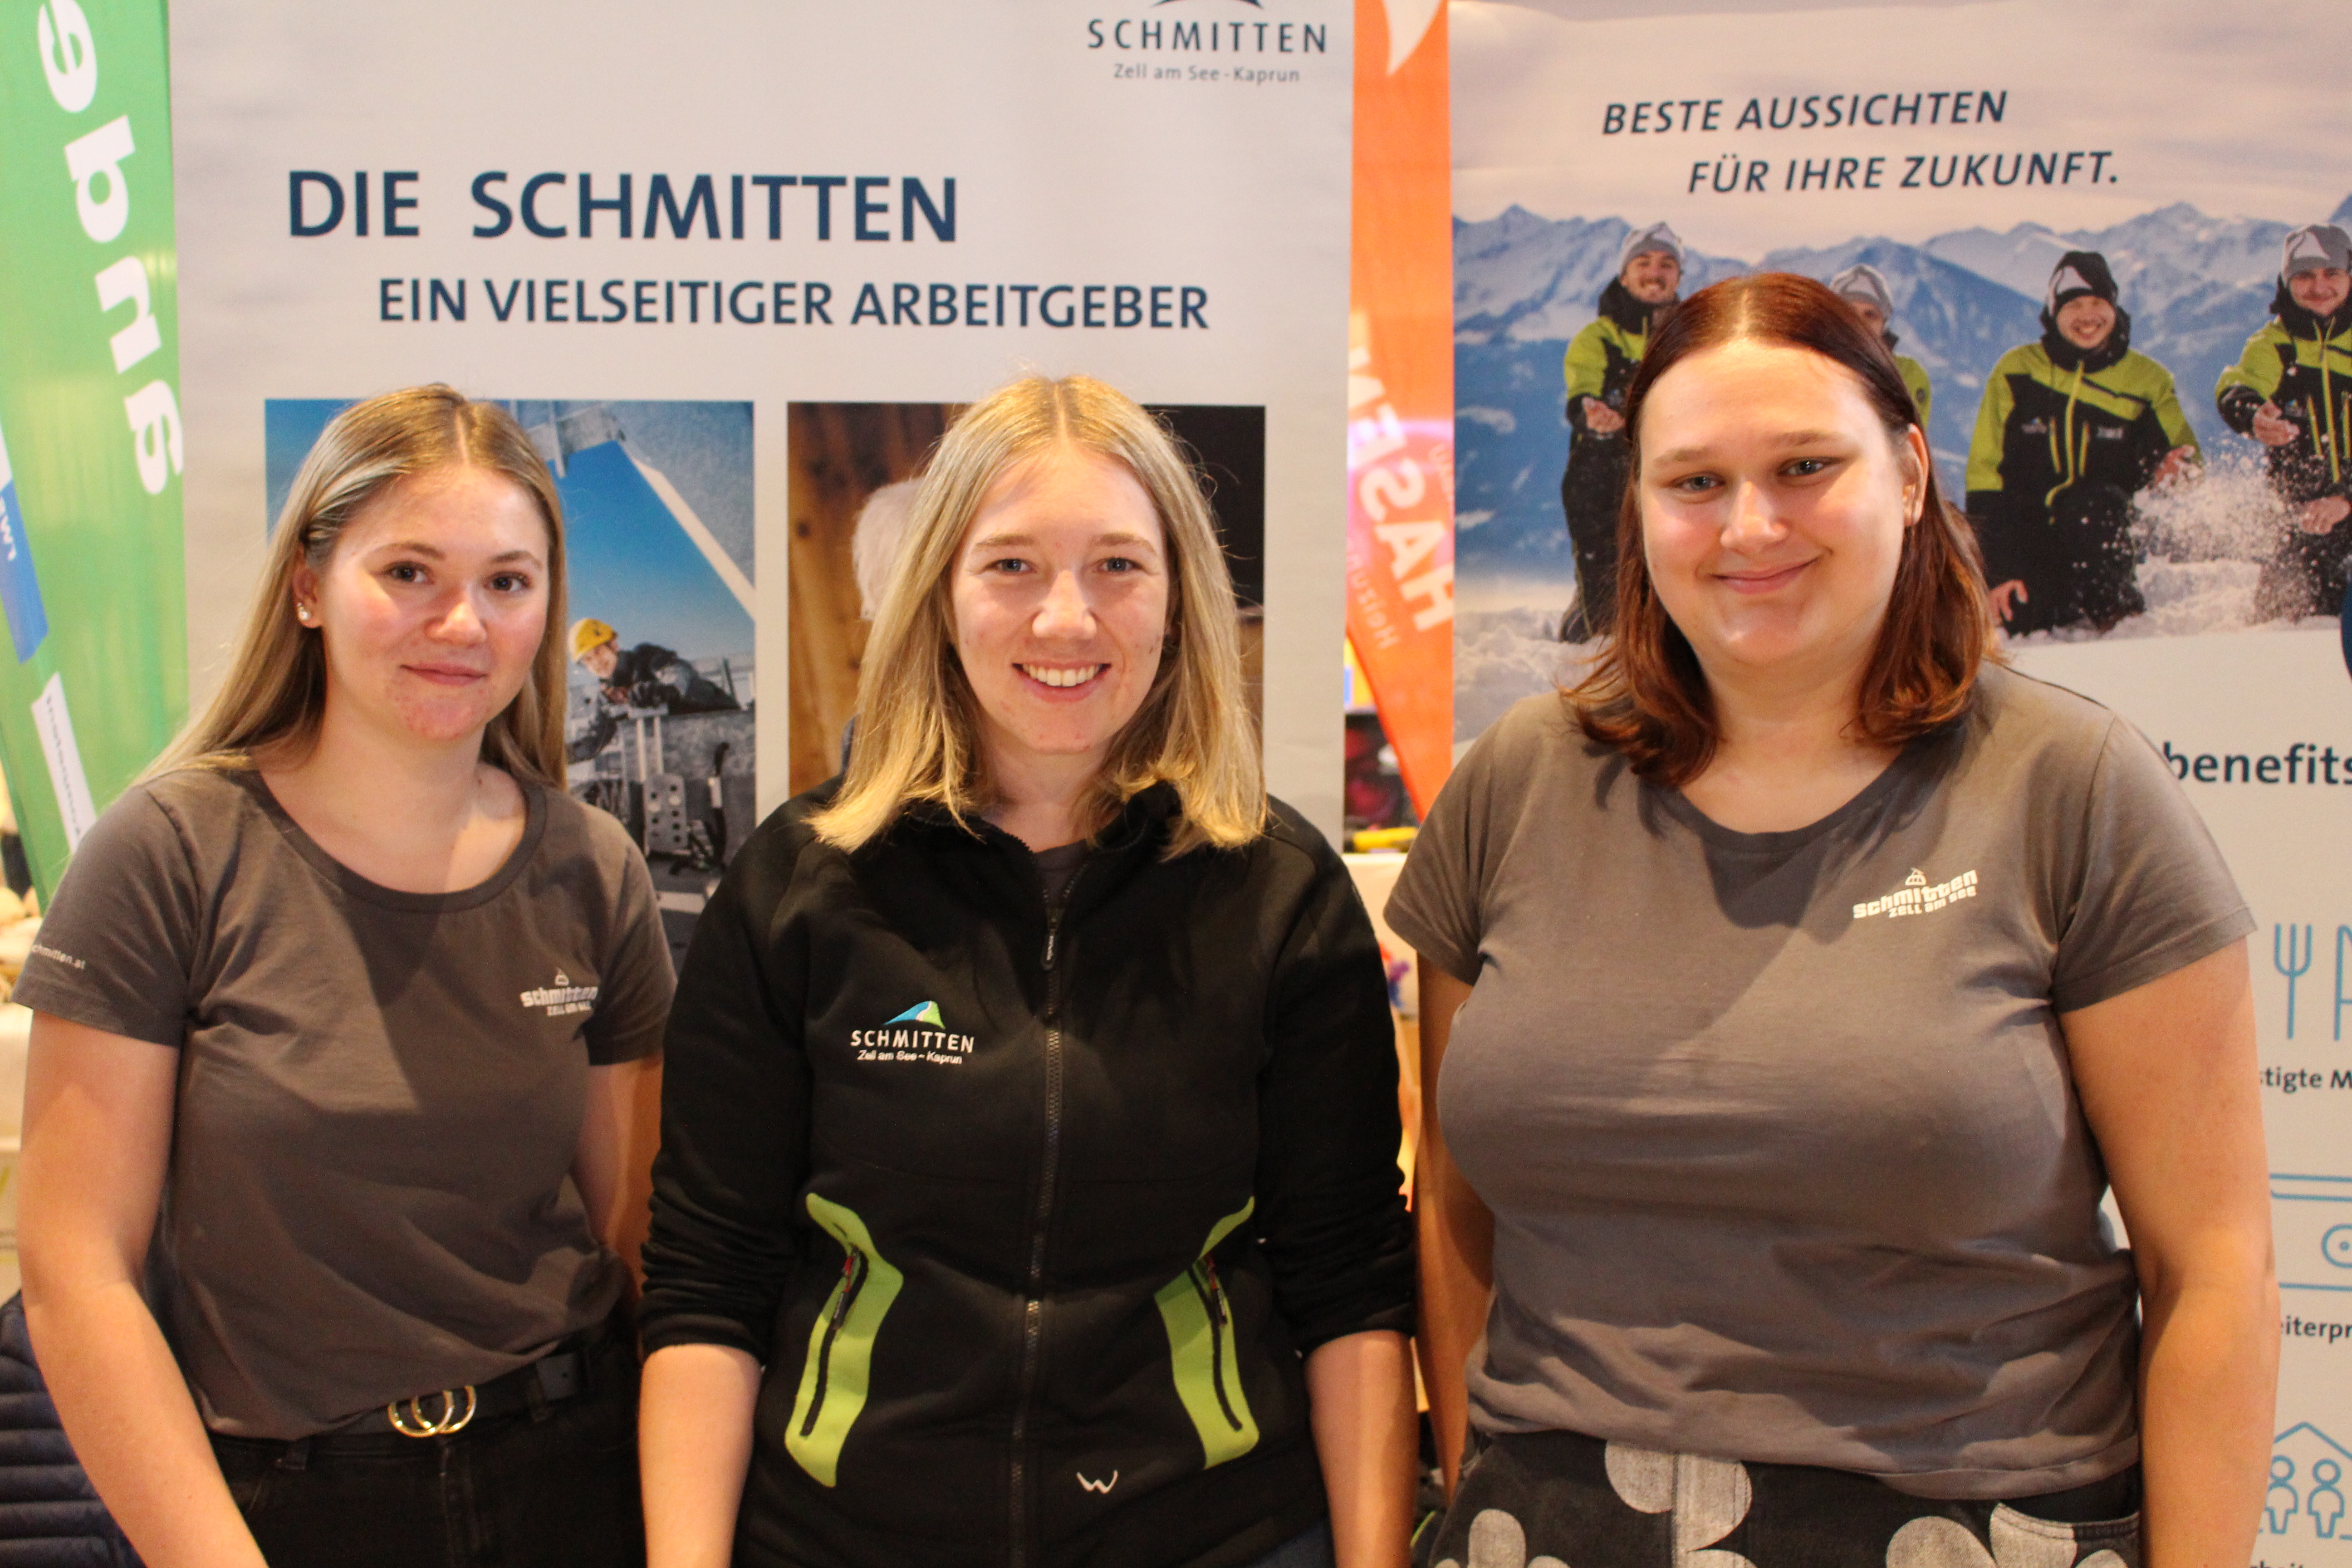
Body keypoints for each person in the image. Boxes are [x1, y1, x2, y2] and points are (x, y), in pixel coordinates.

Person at [1393, 274, 2275, 1568]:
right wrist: (1483, 1490)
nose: (1751, 527)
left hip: (1964, 1525)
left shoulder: (2070, 791)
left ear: (1912, 473)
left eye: (1807, 466)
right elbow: (1457, 1215)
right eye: (1694, 482)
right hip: (1549, 1523)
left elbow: (2214, 1272)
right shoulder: (1518, 784)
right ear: (1637, 505)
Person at [637, 374, 1417, 1568]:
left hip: (1214, 1537)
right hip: (845, 1541)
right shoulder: (804, 882)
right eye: (1010, 566)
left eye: (1117, 566)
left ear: (1178, 602)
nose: (1067, 619)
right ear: (939, 598)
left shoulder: (1277, 889)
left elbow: (1349, 1284)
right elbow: (709, 1282)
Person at [15, 387, 674, 1568]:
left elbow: (642, 1251)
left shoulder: (590, 868)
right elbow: (77, 1273)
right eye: (409, 572)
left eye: (507, 583)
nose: (461, 624)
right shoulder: (171, 854)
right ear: (311, 587)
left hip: (573, 1479)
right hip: (280, 1507)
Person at [1966, 250, 2200, 636]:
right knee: (2019, 618)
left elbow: (2190, 461)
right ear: (2054, 311)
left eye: (2098, 303)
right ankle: (2055, 599)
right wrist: (1999, 571)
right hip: (2028, 538)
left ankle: (2120, 620)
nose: (2087, 316)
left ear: (2114, 307)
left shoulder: (2146, 380)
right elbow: (1985, 477)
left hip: (2102, 537)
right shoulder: (2018, 371)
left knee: (2090, 506)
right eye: (2074, 304)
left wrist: (2176, 472)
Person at [2216, 223, 2352, 621]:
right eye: (2305, 276)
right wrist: (2251, 415)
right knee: (2282, 612)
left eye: (2332, 274)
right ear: (2286, 281)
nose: (2319, 286)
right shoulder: (2274, 344)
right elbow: (2238, 384)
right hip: (2304, 513)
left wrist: (2345, 498)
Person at [1560, 222, 1685, 641]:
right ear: (1624, 276)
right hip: (1601, 473)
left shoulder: (1689, 338)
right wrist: (1591, 415)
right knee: (1606, 576)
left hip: (1672, 473)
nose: (1656, 272)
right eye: (1644, 262)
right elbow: (1582, 393)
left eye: (1667, 264)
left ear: (1678, 278)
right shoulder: (1597, 338)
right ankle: (1594, 649)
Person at [1829, 261, 1932, 425]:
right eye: (1849, 313)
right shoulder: (1813, 368)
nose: (1860, 323)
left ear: (1884, 324)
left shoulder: (1908, 375)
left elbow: (1910, 440)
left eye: (1870, 315)